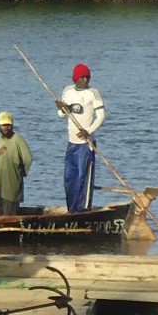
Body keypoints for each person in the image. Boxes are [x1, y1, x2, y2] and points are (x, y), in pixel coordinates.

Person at [55, 63, 105, 213]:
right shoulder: (68, 91)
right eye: (83, 77)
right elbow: (62, 115)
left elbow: (101, 116)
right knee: (69, 178)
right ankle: (72, 210)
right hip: (72, 144)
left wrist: (88, 131)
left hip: (86, 144)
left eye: (88, 77)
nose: (86, 80)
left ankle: (82, 210)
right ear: (76, 78)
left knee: (84, 178)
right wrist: (62, 109)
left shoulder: (93, 93)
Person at [0, 111, 32, 217]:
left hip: (11, 185)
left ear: (12, 125)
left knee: (9, 214)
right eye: (3, 125)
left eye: (8, 125)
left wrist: (21, 172)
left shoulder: (17, 139)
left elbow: (28, 159)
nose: (6, 128)